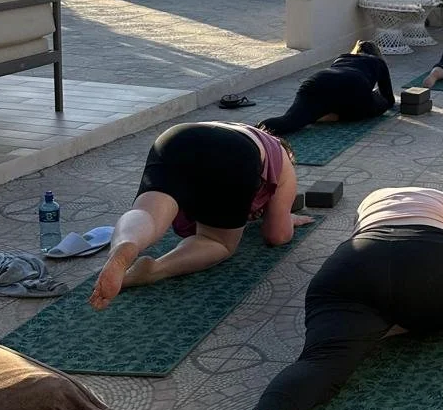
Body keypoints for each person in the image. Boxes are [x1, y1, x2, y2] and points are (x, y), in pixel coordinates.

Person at [217, 187, 443, 410]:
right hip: (434, 275)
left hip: (355, 264)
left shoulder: (373, 199)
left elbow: (369, 248)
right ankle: (386, 328)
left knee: (321, 361)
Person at [88, 122, 307, 309]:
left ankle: (125, 244)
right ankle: (156, 269)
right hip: (234, 153)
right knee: (216, 241)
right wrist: (287, 218)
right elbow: (277, 235)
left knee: (147, 213)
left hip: (177, 137)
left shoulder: (237, 129)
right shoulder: (281, 155)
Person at [259, 41, 395, 138]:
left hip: (317, 82)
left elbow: (333, 87)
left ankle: (253, 131)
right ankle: (334, 116)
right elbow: (389, 98)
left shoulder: (341, 58)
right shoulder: (378, 62)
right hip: (354, 85)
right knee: (380, 104)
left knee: (290, 120)